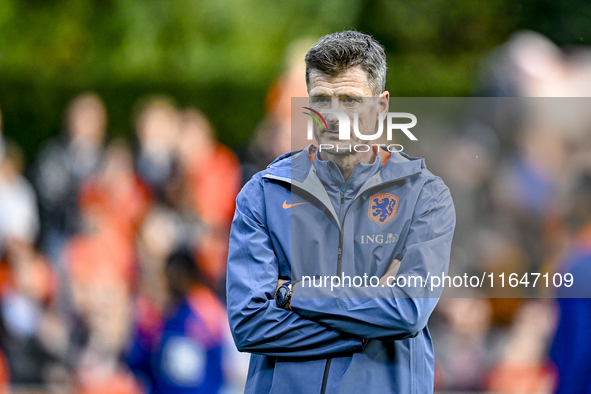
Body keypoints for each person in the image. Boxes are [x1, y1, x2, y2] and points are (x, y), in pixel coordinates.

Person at [226, 31, 456, 394]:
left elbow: (407, 311)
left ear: (381, 108)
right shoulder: (262, 193)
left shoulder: (425, 196)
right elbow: (250, 324)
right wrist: (366, 330)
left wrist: (292, 295)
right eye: (322, 100)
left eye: (350, 100)